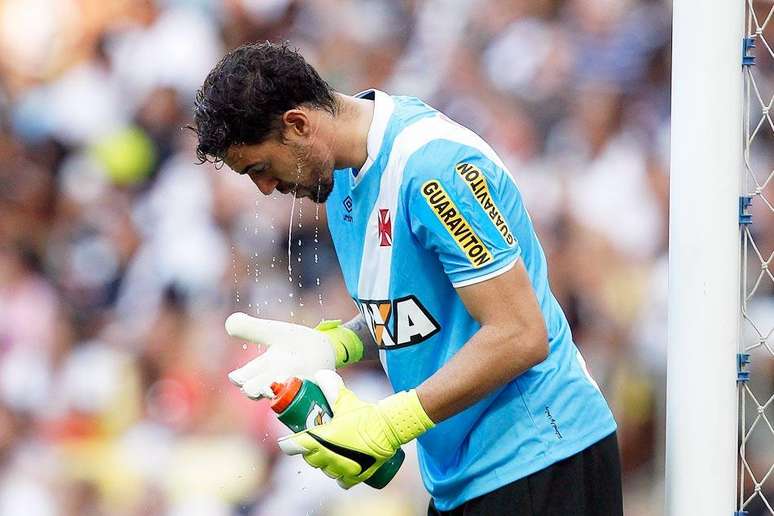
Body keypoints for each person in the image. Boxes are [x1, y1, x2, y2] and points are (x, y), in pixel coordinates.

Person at [191, 41, 623, 515]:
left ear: (297, 125)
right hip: (462, 477)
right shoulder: (338, 178)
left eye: (260, 168)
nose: (266, 188)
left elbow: (520, 334)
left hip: (542, 455)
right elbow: (420, 307)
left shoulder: (433, 169)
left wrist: (390, 423)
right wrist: (337, 346)